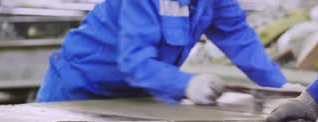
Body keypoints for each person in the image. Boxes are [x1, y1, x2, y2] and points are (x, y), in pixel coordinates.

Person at [37, 0, 288, 105]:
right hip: (77, 93)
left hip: (137, 96)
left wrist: (281, 86)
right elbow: (134, 62)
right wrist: (186, 84)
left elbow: (239, 38)